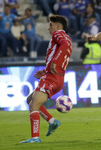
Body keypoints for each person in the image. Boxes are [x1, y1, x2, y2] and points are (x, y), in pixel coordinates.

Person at [20, 15, 72, 143]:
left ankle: (35, 137)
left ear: (58, 27)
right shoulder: (65, 37)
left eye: (51, 25)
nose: (49, 28)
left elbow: (64, 46)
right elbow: (63, 50)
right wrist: (45, 71)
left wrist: (54, 62)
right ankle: (52, 121)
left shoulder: (58, 34)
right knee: (30, 99)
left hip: (52, 78)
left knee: (33, 105)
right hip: (56, 77)